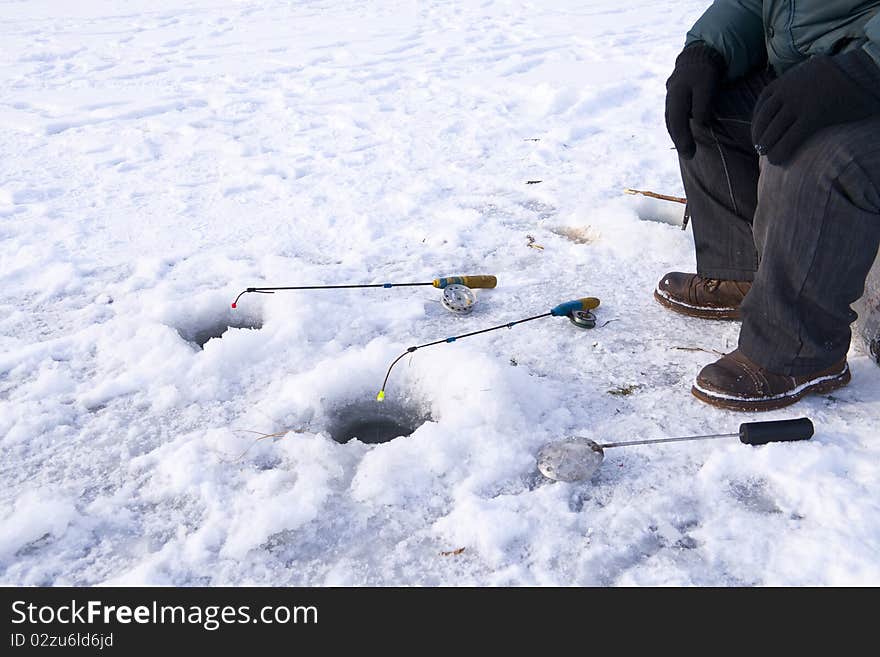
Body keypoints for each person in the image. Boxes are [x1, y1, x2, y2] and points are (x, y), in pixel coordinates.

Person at [658, 0, 880, 411]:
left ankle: (798, 349)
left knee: (814, 153)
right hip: (823, 67)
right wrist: (706, 49)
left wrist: (865, 70)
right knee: (707, 107)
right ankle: (746, 273)